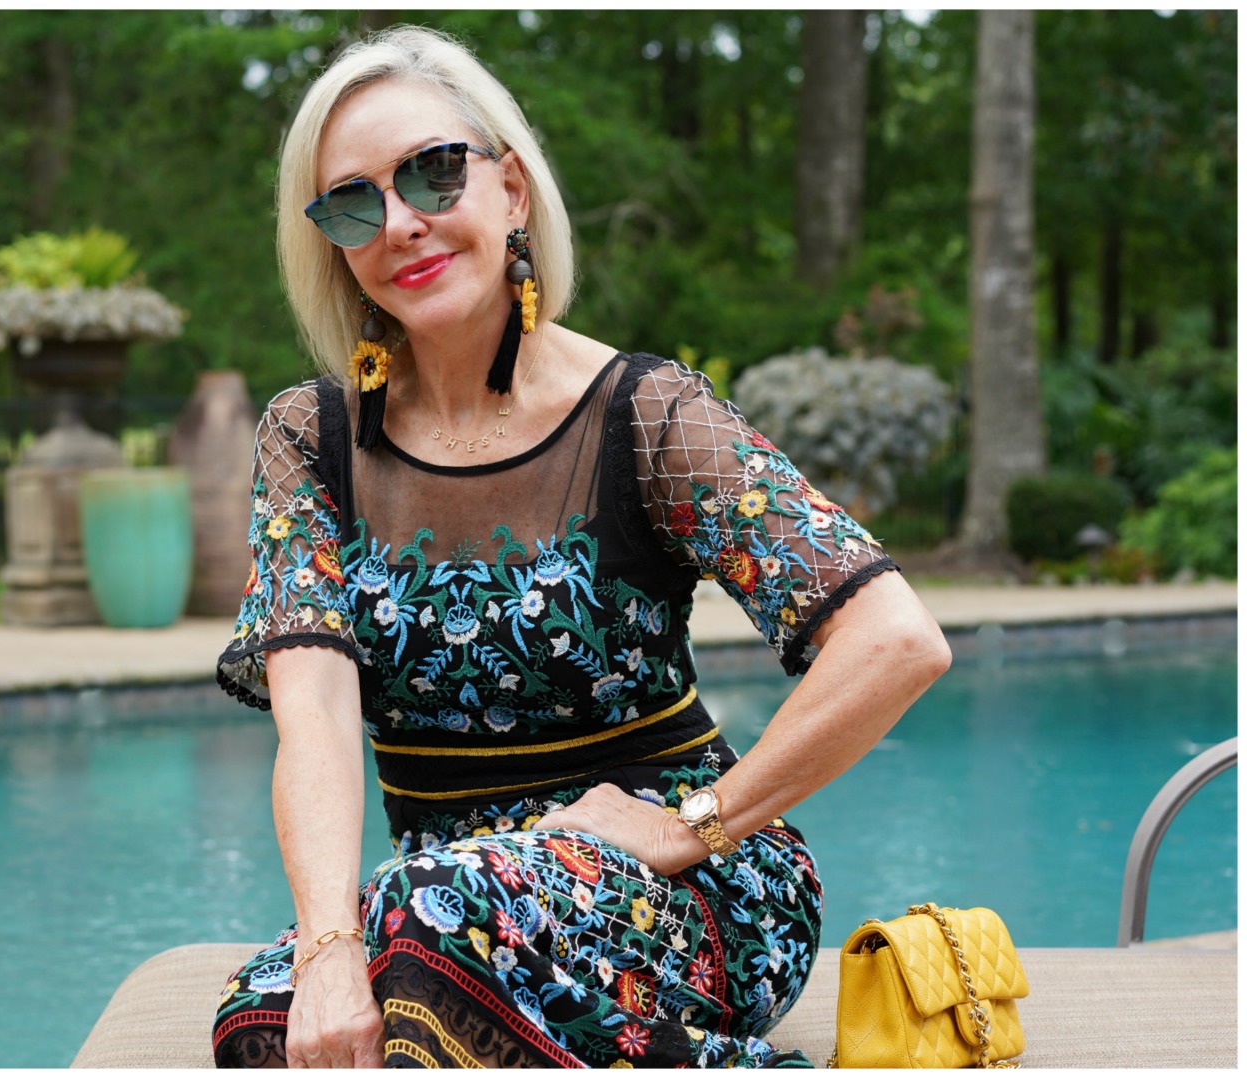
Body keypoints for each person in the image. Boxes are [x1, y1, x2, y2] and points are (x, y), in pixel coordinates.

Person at [212, 25, 950, 1069]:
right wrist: (330, 946)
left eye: (431, 173)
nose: (401, 223)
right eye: (353, 201)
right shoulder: (312, 437)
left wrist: (698, 821)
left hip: (689, 896)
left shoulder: (647, 415)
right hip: (451, 909)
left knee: (430, 956)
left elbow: (898, 640)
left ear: (510, 190)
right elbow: (317, 719)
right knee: (264, 1019)